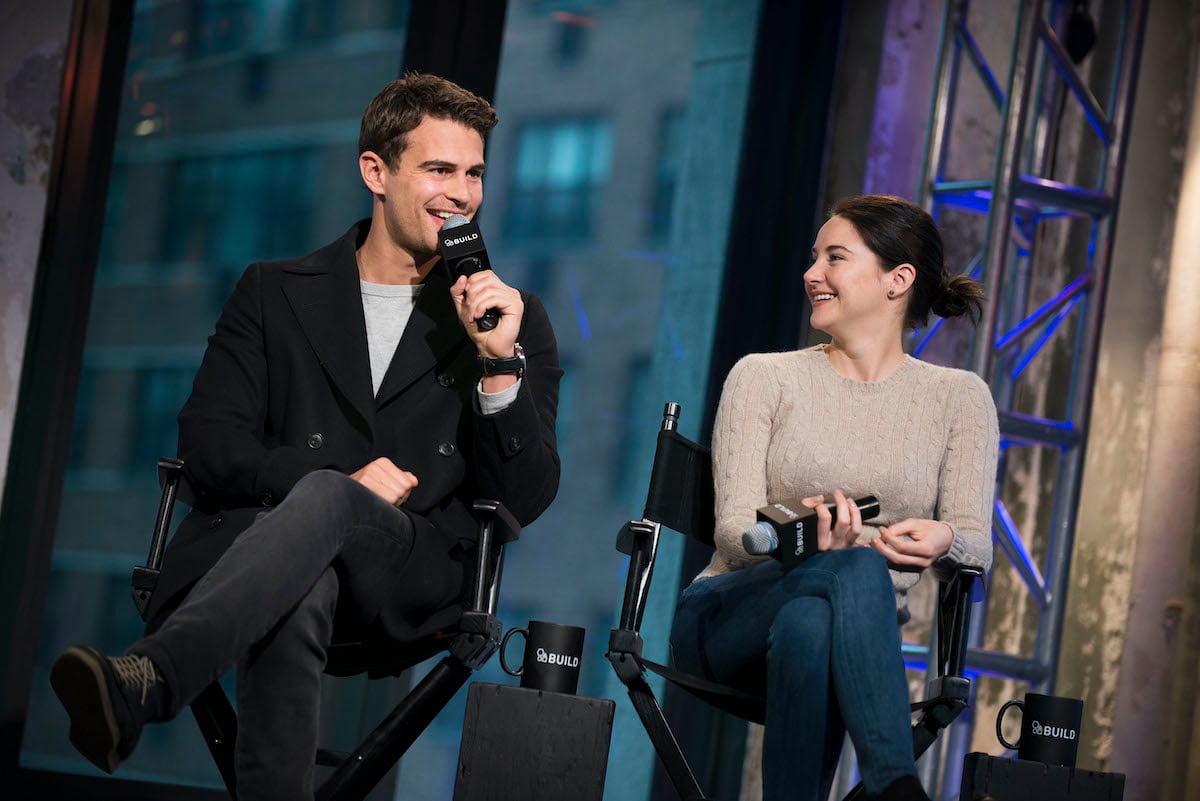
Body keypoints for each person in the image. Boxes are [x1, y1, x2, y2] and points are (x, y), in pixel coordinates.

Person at [50, 73, 561, 800]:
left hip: (407, 570)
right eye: (440, 169)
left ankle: (152, 676)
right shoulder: (272, 290)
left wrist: (498, 365)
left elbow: (525, 497)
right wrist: (336, 485)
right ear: (375, 172)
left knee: (327, 505)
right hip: (260, 552)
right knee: (303, 574)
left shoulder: (511, 320)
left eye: (474, 172)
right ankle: (156, 682)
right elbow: (209, 442)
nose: (463, 193)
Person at [669, 195, 998, 801]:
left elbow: (977, 540)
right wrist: (805, 543)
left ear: (897, 280)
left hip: (844, 632)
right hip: (729, 616)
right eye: (813, 257)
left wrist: (946, 537)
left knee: (812, 622)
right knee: (848, 565)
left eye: (835, 257)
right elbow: (732, 536)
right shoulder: (763, 377)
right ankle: (897, 786)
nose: (811, 273)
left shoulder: (960, 399)